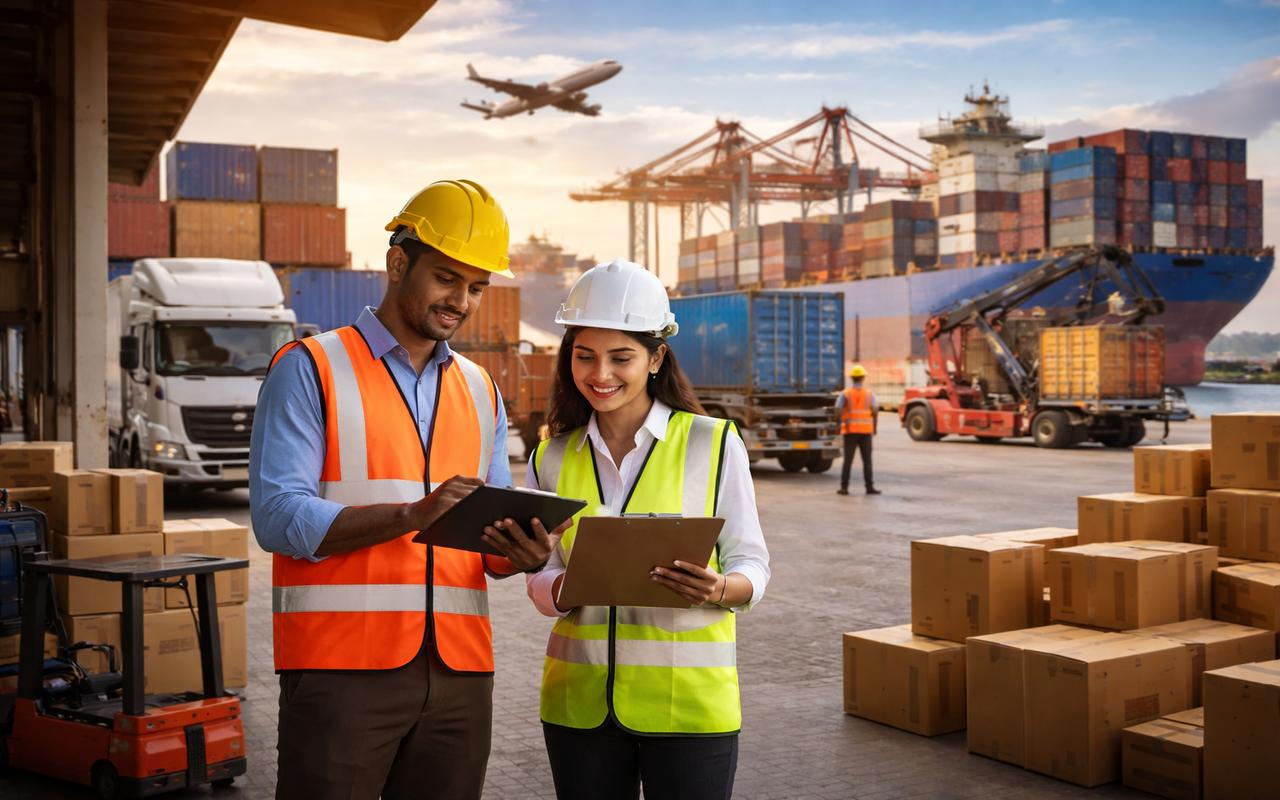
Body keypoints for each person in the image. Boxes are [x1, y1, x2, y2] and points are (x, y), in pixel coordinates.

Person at [249, 180, 561, 800]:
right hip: (341, 670)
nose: (462, 301)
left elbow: (486, 543)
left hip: (461, 675)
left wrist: (520, 554)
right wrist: (409, 515)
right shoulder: (310, 367)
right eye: (447, 278)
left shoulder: (481, 390)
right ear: (398, 263)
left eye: (476, 287)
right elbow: (277, 517)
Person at [515, 259, 771, 800]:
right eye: (584, 356)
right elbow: (543, 576)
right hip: (578, 705)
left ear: (655, 358)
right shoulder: (551, 457)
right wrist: (557, 586)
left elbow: (752, 563)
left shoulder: (713, 443)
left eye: (621, 357)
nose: (600, 374)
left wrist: (720, 588)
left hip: (689, 708)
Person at [836, 364, 880, 495]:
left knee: (847, 461)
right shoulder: (869, 394)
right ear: (863, 379)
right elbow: (876, 410)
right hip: (866, 433)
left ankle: (844, 488)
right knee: (867, 461)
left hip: (850, 432)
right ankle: (869, 487)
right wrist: (875, 428)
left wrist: (838, 425)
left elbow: (837, 409)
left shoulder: (845, 393)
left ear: (852, 379)